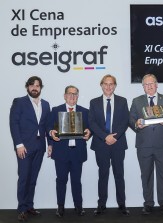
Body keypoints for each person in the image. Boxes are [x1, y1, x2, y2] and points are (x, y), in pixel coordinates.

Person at [129, 74, 163, 215]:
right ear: (143, 87)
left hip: (162, 144)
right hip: (143, 145)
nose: (149, 86)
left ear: (157, 84)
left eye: (151, 83)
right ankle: (148, 203)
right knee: (146, 175)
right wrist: (136, 124)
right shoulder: (136, 101)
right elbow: (131, 119)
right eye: (146, 84)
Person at [9, 76, 51, 221]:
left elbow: (46, 126)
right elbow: (13, 124)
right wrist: (18, 145)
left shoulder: (45, 105)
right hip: (24, 148)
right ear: (27, 87)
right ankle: (21, 209)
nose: (35, 88)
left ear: (40, 88)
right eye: (32, 85)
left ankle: (29, 206)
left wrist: (50, 143)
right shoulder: (19, 102)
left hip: (40, 147)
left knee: (33, 179)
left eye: (38, 86)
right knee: (24, 178)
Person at [89, 74, 130, 216]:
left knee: (119, 174)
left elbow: (125, 121)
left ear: (115, 86)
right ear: (101, 85)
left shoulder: (122, 101)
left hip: (118, 143)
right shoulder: (93, 102)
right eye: (105, 84)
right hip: (101, 144)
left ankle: (122, 204)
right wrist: (105, 136)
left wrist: (114, 137)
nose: (108, 86)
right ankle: (101, 205)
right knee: (103, 174)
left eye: (111, 84)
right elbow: (92, 123)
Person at [47, 85, 91, 218]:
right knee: (61, 181)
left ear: (78, 96)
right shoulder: (56, 110)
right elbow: (48, 128)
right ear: (65, 96)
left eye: (75, 94)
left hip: (77, 152)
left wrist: (90, 132)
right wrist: (51, 133)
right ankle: (60, 207)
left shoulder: (85, 111)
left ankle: (79, 206)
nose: (72, 96)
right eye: (70, 94)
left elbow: (90, 128)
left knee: (76, 181)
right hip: (61, 153)